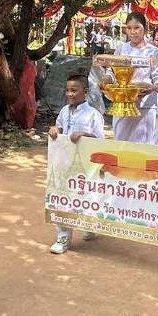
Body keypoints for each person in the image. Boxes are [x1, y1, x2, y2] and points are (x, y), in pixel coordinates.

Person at [48, 72, 105, 254]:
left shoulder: (94, 115)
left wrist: (85, 135)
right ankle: (63, 236)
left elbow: (100, 141)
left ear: (85, 92)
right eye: (67, 90)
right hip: (64, 162)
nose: (70, 94)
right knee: (63, 197)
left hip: (86, 167)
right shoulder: (64, 111)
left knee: (86, 197)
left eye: (74, 90)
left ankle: (88, 224)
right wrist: (55, 130)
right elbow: (60, 128)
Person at [95, 12, 158, 143]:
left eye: (137, 28)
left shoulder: (153, 52)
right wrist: (107, 79)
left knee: (143, 148)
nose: (133, 32)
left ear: (145, 28)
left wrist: (153, 87)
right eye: (129, 28)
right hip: (122, 103)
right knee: (121, 145)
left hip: (145, 107)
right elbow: (112, 71)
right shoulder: (121, 49)